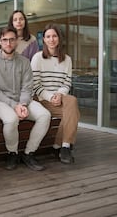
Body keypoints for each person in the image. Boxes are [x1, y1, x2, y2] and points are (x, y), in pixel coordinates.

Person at [0, 26, 51, 171]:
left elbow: (27, 87)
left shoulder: (24, 61)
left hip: (21, 100)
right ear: (0, 42)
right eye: (5, 40)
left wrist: (22, 103)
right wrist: (15, 106)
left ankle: (29, 153)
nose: (8, 43)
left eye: (12, 40)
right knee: (11, 119)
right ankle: (12, 153)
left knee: (45, 115)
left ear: (16, 42)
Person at [31, 24, 80, 164]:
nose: (51, 39)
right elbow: (35, 85)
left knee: (71, 103)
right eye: (48, 36)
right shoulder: (37, 58)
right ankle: (61, 146)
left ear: (59, 38)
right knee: (73, 109)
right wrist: (51, 97)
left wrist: (59, 95)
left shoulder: (67, 60)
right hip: (42, 99)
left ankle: (61, 146)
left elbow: (66, 82)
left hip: (60, 99)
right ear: (44, 40)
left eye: (54, 36)